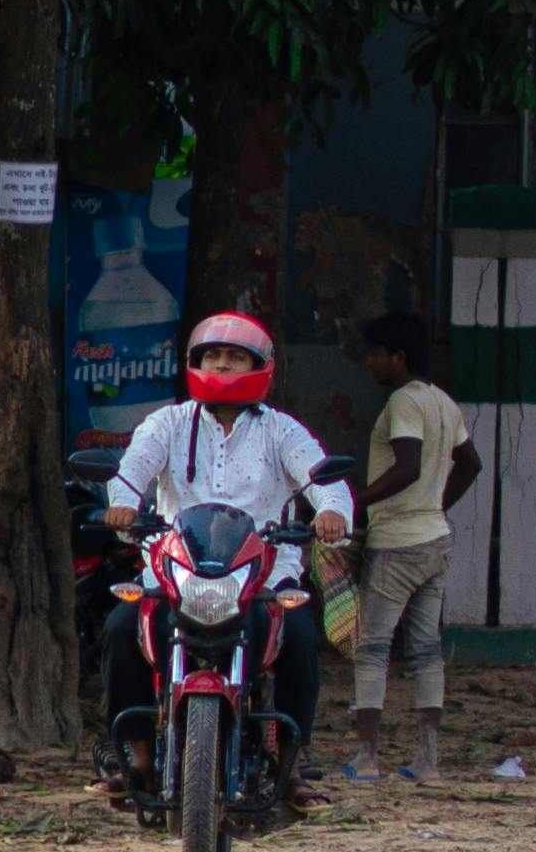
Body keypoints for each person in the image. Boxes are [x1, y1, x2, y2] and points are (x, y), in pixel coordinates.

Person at [99, 307, 351, 805]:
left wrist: (332, 512)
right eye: (211, 355)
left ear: (260, 367)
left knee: (301, 638)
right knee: (121, 628)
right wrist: (123, 505)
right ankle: (136, 756)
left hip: (263, 578)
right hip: (175, 574)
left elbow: (325, 480)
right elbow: (130, 473)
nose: (220, 365)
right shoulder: (167, 424)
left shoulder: (283, 431)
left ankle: (291, 766)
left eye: (235, 357)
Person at [346, 315, 481, 787]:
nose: (369, 362)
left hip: (397, 543)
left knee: (372, 648)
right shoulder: (443, 401)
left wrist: (353, 502)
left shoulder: (403, 401)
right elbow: (471, 464)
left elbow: (407, 466)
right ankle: (428, 762)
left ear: (398, 357)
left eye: (375, 354)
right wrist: (437, 505)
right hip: (435, 539)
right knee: (426, 650)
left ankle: (367, 758)